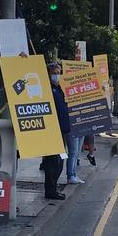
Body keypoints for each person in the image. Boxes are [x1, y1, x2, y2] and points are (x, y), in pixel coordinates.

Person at [43, 62, 69, 200]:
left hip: (61, 130)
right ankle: (51, 190)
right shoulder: (47, 89)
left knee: (59, 161)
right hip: (52, 131)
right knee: (53, 162)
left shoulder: (59, 89)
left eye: (59, 73)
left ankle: (53, 188)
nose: (57, 76)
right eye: (54, 73)